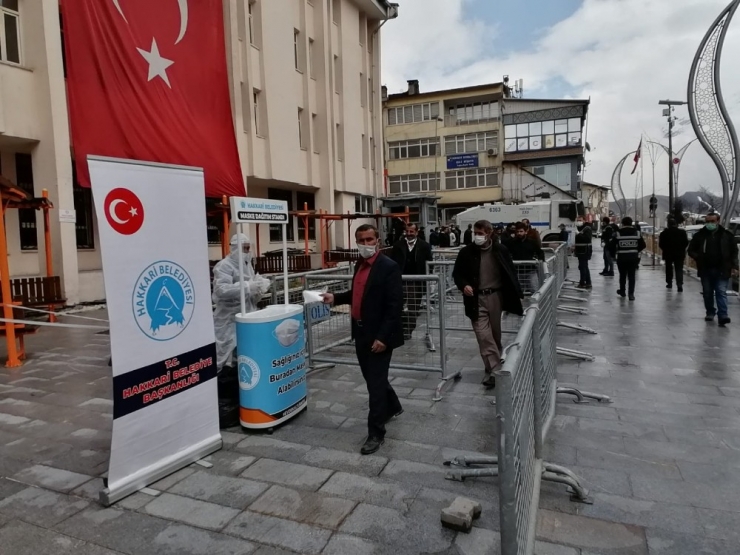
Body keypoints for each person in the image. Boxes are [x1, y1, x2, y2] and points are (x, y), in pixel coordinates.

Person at [321, 224, 404, 454]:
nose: (366, 244)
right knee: (372, 378)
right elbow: (357, 295)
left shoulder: (388, 267)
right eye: (361, 240)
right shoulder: (359, 264)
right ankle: (394, 406)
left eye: (370, 239)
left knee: (375, 385)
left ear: (377, 240)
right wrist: (334, 298)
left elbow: (394, 306)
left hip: (379, 336)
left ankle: (376, 433)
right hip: (360, 332)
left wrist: (383, 337)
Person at [452, 220, 524, 389]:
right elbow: (457, 274)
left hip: (496, 297)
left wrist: (516, 294)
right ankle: (497, 371)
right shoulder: (466, 252)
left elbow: (510, 272)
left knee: (494, 335)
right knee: (483, 335)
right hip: (476, 299)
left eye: (480, 233)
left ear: (490, 233)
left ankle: (490, 367)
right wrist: (464, 285)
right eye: (475, 233)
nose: (477, 236)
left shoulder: (501, 250)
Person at [212, 234, 271, 427]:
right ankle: (224, 398)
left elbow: (250, 287)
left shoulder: (247, 264)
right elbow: (221, 291)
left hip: (246, 318)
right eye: (244, 248)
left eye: (248, 247)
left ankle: (238, 395)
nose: (247, 251)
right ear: (234, 247)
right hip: (228, 320)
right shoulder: (224, 266)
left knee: (242, 357)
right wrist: (249, 286)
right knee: (226, 357)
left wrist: (259, 286)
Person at [688, 212, 739, 326]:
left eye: (712, 221)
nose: (710, 224)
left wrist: (735, 266)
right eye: (708, 221)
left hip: (722, 268)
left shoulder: (727, 235)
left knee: (721, 291)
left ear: (718, 221)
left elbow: (734, 252)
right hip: (705, 269)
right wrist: (698, 257)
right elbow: (691, 250)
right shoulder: (700, 235)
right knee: (707, 292)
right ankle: (710, 312)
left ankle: (723, 315)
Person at [390, 223, 433, 339]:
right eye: (407, 231)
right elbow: (392, 262)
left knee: (413, 307)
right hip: (400, 280)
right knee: (397, 305)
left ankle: (408, 330)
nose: (409, 234)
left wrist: (426, 278)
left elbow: (429, 263)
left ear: (416, 232)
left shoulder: (424, 246)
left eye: (411, 232)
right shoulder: (398, 245)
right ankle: (400, 327)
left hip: (416, 281)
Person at [609, 217, 645, 301]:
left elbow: (611, 246)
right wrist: (635, 250)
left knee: (622, 275)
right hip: (633, 258)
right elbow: (643, 245)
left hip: (622, 258)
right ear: (631, 223)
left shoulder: (618, 233)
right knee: (631, 276)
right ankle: (631, 294)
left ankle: (622, 291)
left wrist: (613, 255)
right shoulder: (637, 233)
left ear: (623, 223)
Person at [508, 222, 545, 294]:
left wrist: (541, 262)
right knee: (517, 292)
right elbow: (507, 254)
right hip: (517, 271)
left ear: (526, 231)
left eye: (521, 231)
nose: (519, 233)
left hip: (531, 271)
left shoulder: (532, 242)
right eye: (517, 231)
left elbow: (540, 252)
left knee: (535, 290)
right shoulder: (512, 243)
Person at [659, 217, 689, 292]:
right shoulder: (682, 233)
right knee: (679, 269)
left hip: (668, 254)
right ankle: (679, 284)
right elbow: (686, 242)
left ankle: (669, 283)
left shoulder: (664, 233)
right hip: (679, 254)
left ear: (668, 225)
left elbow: (661, 244)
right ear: (676, 224)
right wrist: (681, 249)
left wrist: (665, 249)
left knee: (668, 268)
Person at [574, 218, 593, 289]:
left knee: (583, 267)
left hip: (585, 251)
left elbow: (587, 239)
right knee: (584, 267)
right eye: (577, 220)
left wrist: (578, 234)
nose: (578, 221)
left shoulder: (587, 228)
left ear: (584, 220)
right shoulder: (580, 228)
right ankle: (588, 283)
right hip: (581, 251)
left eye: (580, 220)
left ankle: (583, 283)